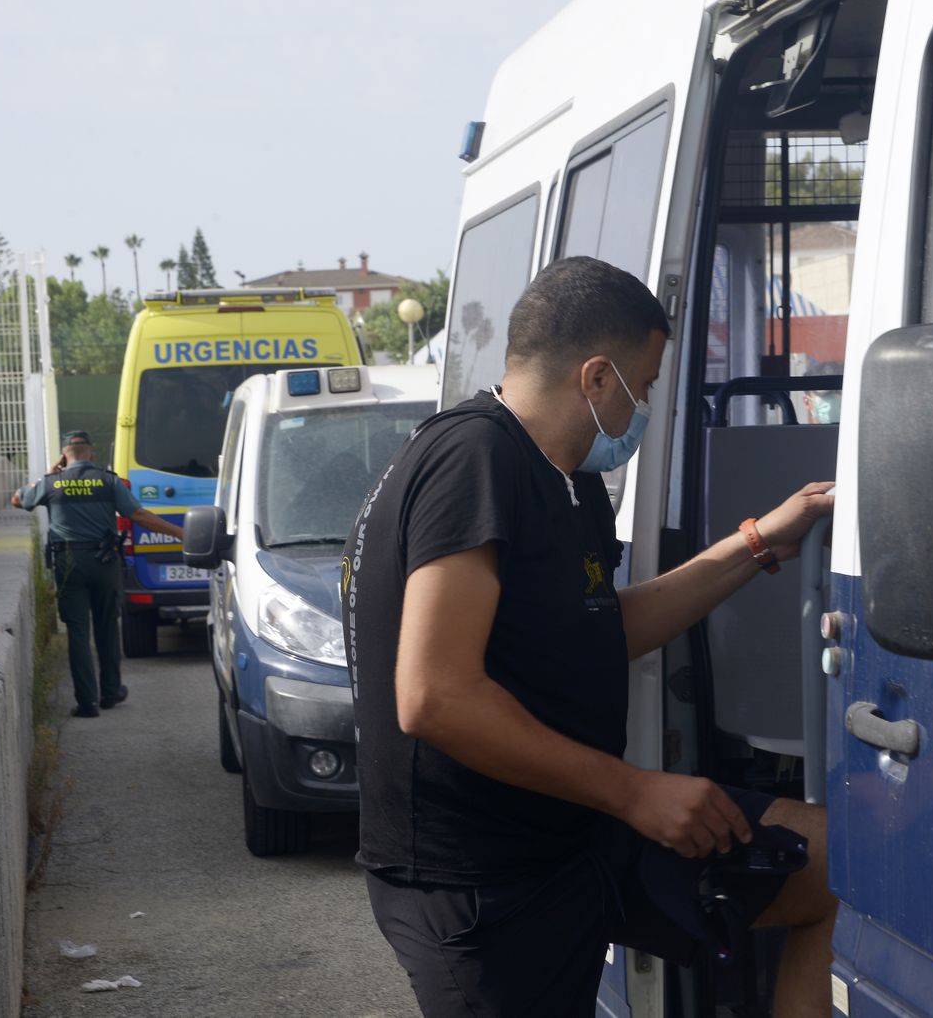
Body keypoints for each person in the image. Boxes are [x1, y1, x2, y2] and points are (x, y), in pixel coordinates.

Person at [345, 256, 837, 1017]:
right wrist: (638, 790)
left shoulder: (567, 481)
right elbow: (434, 695)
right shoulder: (473, 459)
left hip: (579, 838)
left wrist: (758, 542)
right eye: (645, 385)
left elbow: (600, 627)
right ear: (598, 378)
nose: (645, 406)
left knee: (836, 866)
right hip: (482, 884)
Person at [11, 430, 184, 718]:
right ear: (91, 452)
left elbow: (17, 500)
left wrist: (47, 475)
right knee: (106, 627)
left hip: (69, 563)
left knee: (78, 632)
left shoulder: (51, 483)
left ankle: (87, 703)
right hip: (105, 562)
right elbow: (138, 515)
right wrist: (181, 533)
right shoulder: (108, 481)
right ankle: (111, 691)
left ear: (65, 454)